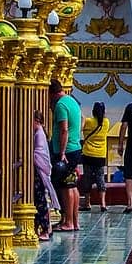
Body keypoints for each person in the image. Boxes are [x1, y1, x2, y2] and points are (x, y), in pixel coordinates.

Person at [49, 79, 83, 232]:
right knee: (72, 184)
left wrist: (62, 152)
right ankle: (74, 221)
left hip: (67, 151)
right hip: (75, 148)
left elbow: (64, 130)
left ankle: (68, 221)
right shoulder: (72, 101)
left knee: (65, 186)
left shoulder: (61, 105)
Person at [32, 109, 58, 240]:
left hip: (40, 170)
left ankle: (46, 228)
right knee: (41, 200)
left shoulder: (39, 134)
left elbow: (39, 153)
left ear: (36, 121)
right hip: (40, 170)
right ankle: (45, 227)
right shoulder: (39, 133)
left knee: (41, 200)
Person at [79, 100, 110, 212]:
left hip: (88, 154)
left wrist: (82, 116)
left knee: (87, 178)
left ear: (93, 111)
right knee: (100, 178)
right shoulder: (106, 122)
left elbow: (81, 129)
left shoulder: (88, 121)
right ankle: (103, 204)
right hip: (100, 155)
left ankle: (87, 203)